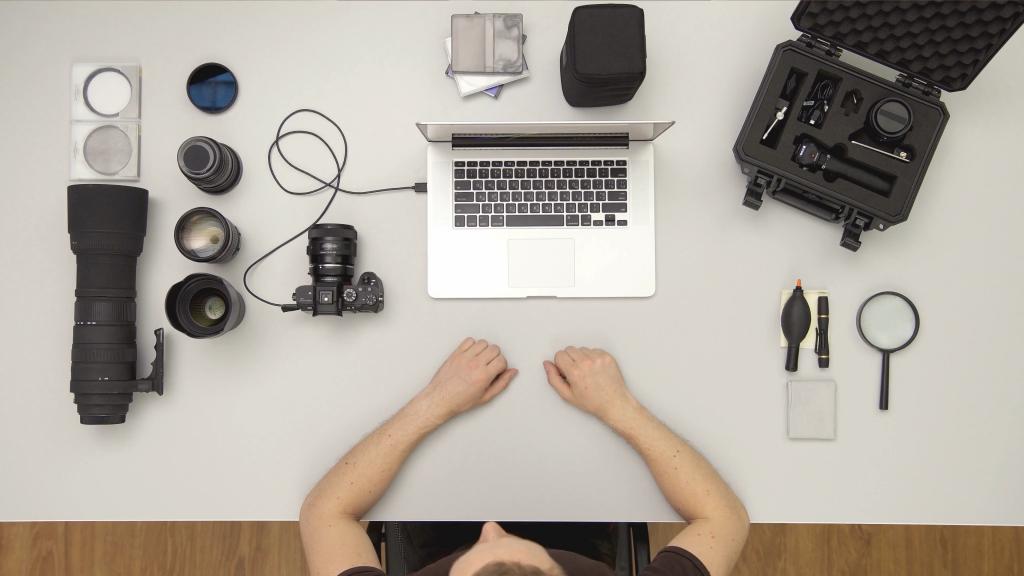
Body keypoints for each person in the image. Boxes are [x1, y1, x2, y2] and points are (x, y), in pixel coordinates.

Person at [300, 338, 749, 576]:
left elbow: (326, 513)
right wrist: (618, 407)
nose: (491, 526)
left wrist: (436, 401)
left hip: (436, 529)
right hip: (585, 524)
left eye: (476, 552)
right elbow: (722, 518)